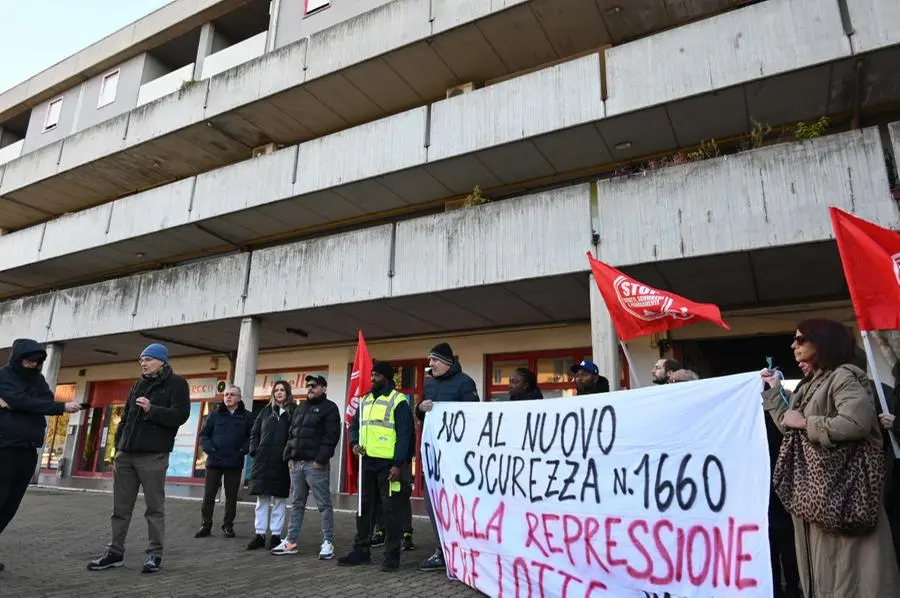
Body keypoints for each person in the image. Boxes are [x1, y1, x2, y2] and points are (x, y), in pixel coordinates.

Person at [761, 319, 900, 597]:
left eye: (800, 339)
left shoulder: (844, 376)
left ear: (822, 341)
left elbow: (855, 422)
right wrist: (774, 392)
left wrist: (805, 423)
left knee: (854, 578)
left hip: (845, 496)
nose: (793, 346)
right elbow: (792, 427)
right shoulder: (812, 383)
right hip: (823, 500)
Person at [88, 343, 191, 574]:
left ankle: (154, 554)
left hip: (153, 456)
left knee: (154, 508)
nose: (143, 363)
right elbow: (125, 417)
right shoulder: (138, 385)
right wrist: (118, 447)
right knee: (120, 508)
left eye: (148, 359)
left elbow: (181, 415)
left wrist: (152, 409)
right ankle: (114, 553)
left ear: (162, 361)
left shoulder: (177, 384)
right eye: (141, 360)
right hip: (126, 456)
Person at [0, 339, 82, 573]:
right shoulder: (4, 375)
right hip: (4, 447)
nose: (32, 364)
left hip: (28, 449)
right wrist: (54, 407)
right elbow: (24, 401)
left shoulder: (38, 379)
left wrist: (18, 404)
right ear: (18, 358)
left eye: (36, 361)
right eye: (28, 360)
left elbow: (41, 401)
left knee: (10, 506)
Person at [338, 360, 413, 572]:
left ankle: (391, 556)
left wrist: (398, 465)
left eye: (376, 376)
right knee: (364, 509)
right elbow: (354, 425)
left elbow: (405, 436)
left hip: (389, 466)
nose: (372, 379)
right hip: (367, 463)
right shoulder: (365, 400)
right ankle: (361, 550)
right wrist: (353, 444)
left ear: (387, 378)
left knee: (390, 511)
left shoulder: (399, 401)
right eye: (372, 375)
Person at [415, 343, 479, 572]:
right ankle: (442, 550)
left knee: (458, 506)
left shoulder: (464, 383)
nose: (430, 364)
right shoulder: (430, 384)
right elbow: (419, 412)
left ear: (447, 362)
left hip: (457, 459)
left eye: (434, 360)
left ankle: (464, 549)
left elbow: (474, 416)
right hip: (435, 457)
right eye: (429, 360)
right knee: (435, 506)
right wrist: (420, 408)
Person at [272, 375, 341, 559]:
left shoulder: (330, 408)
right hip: (297, 464)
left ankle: (327, 542)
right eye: (308, 385)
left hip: (315, 465)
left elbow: (331, 436)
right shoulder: (301, 407)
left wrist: (320, 459)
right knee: (297, 504)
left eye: (314, 385)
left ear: (323, 388)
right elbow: (292, 432)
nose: (309, 388)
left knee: (323, 504)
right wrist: (289, 455)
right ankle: (291, 541)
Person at [195, 384, 254, 539]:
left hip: (234, 463)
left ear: (239, 398)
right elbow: (204, 435)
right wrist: (211, 450)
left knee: (231, 497)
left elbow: (253, 437)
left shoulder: (247, 417)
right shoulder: (215, 415)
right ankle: (205, 525)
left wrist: (242, 451)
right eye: (226, 394)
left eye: (232, 394)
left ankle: (228, 526)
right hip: (214, 462)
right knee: (209, 496)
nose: (228, 397)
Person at [246, 380, 295, 551]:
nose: (279, 393)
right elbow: (255, 432)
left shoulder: (293, 412)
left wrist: (290, 455)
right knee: (262, 500)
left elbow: (295, 436)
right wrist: (254, 451)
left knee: (280, 500)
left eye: (282, 390)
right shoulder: (266, 412)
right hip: (263, 461)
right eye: (276, 390)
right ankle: (259, 534)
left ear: (287, 392)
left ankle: (275, 535)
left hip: (281, 462)